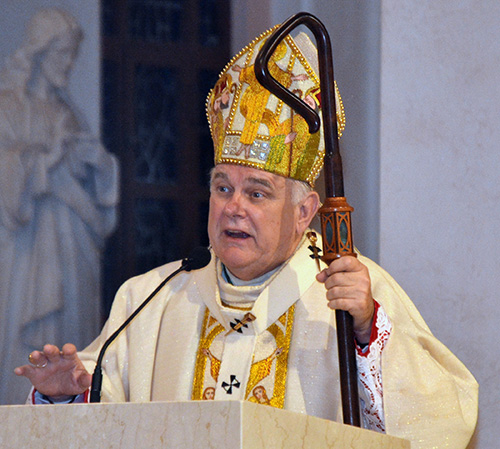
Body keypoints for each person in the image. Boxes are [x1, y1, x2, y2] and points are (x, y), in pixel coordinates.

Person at [15, 25, 477, 449]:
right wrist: (63, 397)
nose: (234, 207)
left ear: (304, 212)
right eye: (223, 188)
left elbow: (439, 420)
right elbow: (104, 416)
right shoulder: (150, 300)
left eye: (257, 193)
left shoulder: (350, 291)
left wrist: (364, 332)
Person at [0, 8, 119, 404]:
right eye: (61, 54)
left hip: (74, 251)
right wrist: (45, 160)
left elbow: (98, 201)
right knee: (23, 342)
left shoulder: (69, 115)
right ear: (38, 52)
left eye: (71, 55)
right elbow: (6, 174)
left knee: (71, 339)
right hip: (26, 252)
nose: (68, 65)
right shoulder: (8, 108)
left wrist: (101, 167)